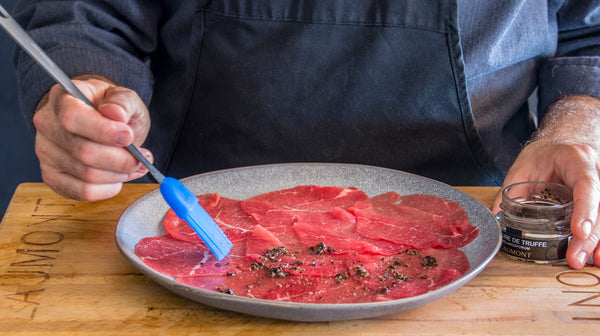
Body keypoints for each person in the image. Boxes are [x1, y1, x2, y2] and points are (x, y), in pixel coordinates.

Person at [11, 0, 600, 270]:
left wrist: (580, 125)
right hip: (195, 214)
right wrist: (87, 87)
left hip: (482, 222)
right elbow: (81, 9)